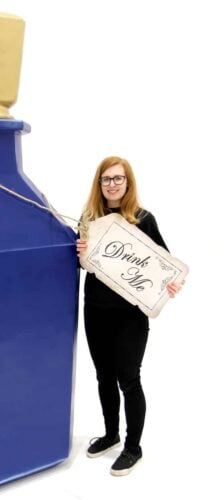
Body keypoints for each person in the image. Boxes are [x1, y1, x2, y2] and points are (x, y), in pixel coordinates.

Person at [76, 156, 183, 477]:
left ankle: (133, 447)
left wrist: (171, 284)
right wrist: (78, 253)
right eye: (106, 179)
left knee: (129, 379)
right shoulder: (89, 219)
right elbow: (82, 264)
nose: (112, 184)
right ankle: (111, 435)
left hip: (129, 316)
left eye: (118, 178)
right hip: (95, 309)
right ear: (99, 184)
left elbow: (163, 264)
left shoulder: (143, 219)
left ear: (128, 182)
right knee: (103, 376)